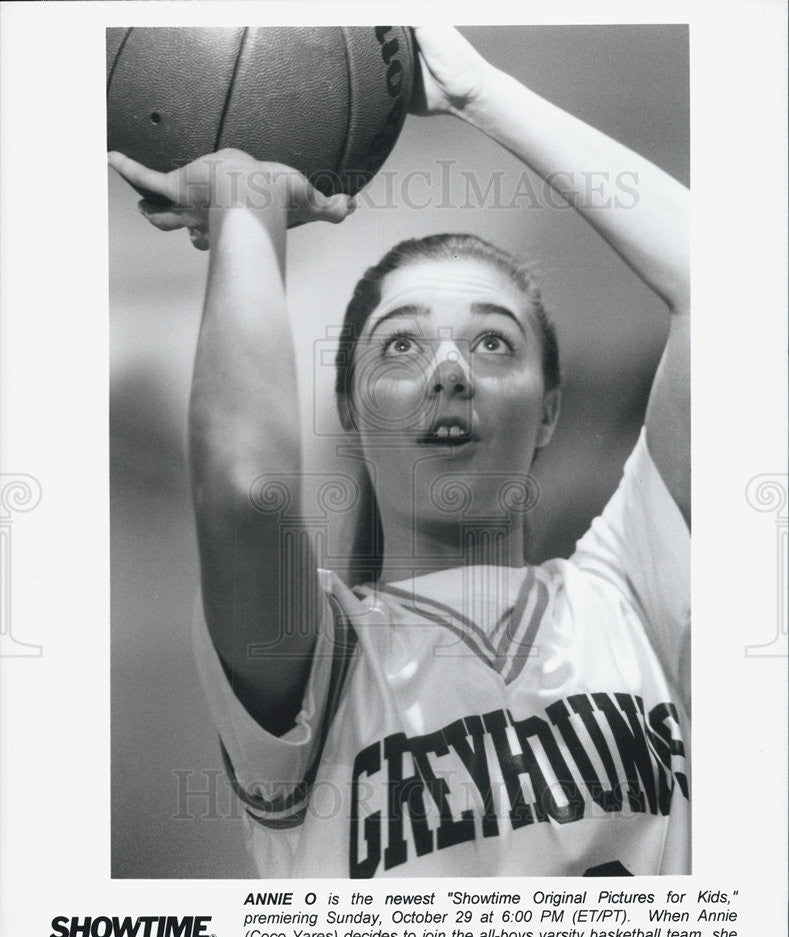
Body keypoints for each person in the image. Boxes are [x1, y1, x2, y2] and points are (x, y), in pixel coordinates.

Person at [109, 26, 690, 878]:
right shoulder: (320, 654)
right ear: (349, 410)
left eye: (492, 345)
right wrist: (246, 204)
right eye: (401, 347)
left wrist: (477, 93)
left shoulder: (633, 589)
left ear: (546, 411)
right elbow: (244, 487)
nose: (450, 372)